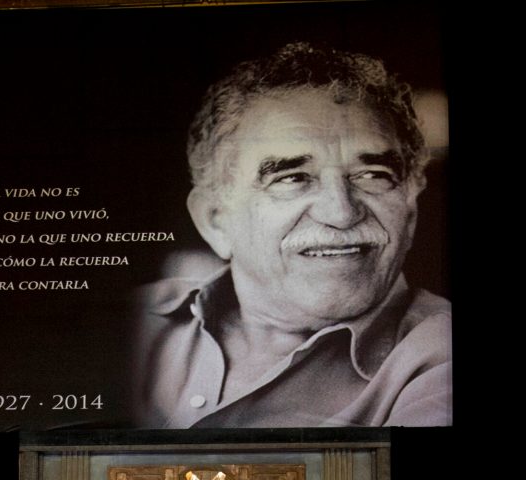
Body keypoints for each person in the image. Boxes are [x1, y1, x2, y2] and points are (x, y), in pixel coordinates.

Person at [129, 42, 451, 429]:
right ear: (215, 221)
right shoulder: (136, 320)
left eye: (373, 176)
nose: (341, 212)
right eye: (293, 178)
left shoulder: (440, 357)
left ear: (410, 213)